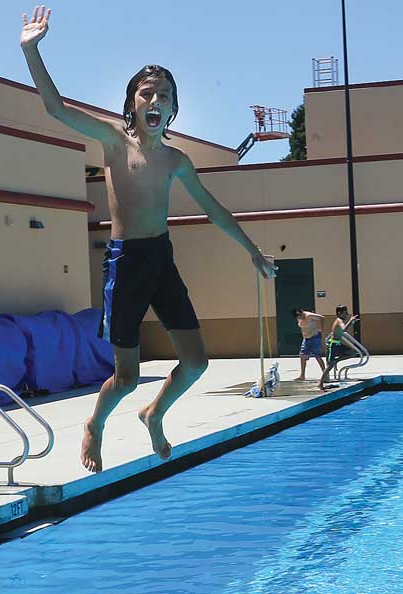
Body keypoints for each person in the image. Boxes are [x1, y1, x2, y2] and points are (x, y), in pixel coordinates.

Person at [20, 6, 277, 473]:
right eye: (147, 93)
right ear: (132, 103)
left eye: (164, 95)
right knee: (127, 376)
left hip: (161, 258)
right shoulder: (114, 143)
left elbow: (214, 209)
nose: (155, 100)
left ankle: (155, 414)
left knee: (197, 363)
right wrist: (31, 50)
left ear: (174, 108)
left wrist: (253, 251)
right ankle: (95, 424)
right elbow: (55, 108)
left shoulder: (177, 160)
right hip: (126, 262)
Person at [318, 305, 359, 391]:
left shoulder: (340, 321)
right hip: (332, 346)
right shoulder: (339, 321)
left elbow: (342, 331)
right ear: (339, 313)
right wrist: (350, 321)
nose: (347, 314)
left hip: (338, 344)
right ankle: (320, 383)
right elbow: (343, 329)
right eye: (345, 313)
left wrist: (351, 322)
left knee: (352, 353)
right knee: (329, 366)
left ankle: (336, 361)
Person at [293, 308, 326, 381]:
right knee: (302, 355)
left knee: (318, 356)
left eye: (300, 316)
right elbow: (303, 327)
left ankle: (325, 374)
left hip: (315, 337)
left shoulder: (309, 315)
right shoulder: (298, 318)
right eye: (298, 317)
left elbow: (322, 317)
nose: (300, 318)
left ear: (302, 313)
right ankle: (302, 376)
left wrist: (321, 329)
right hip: (306, 339)